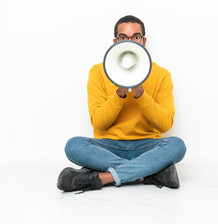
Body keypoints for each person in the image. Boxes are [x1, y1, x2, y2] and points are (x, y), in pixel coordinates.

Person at [57, 15, 186, 193]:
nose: (130, 42)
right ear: (115, 42)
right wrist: (120, 93)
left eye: (136, 37)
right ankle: (150, 172)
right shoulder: (98, 72)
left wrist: (140, 93)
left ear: (144, 41)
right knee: (73, 146)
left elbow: (165, 124)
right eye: (124, 38)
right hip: (108, 147)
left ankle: (103, 178)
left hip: (146, 146)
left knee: (177, 146)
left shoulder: (162, 74)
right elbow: (99, 123)